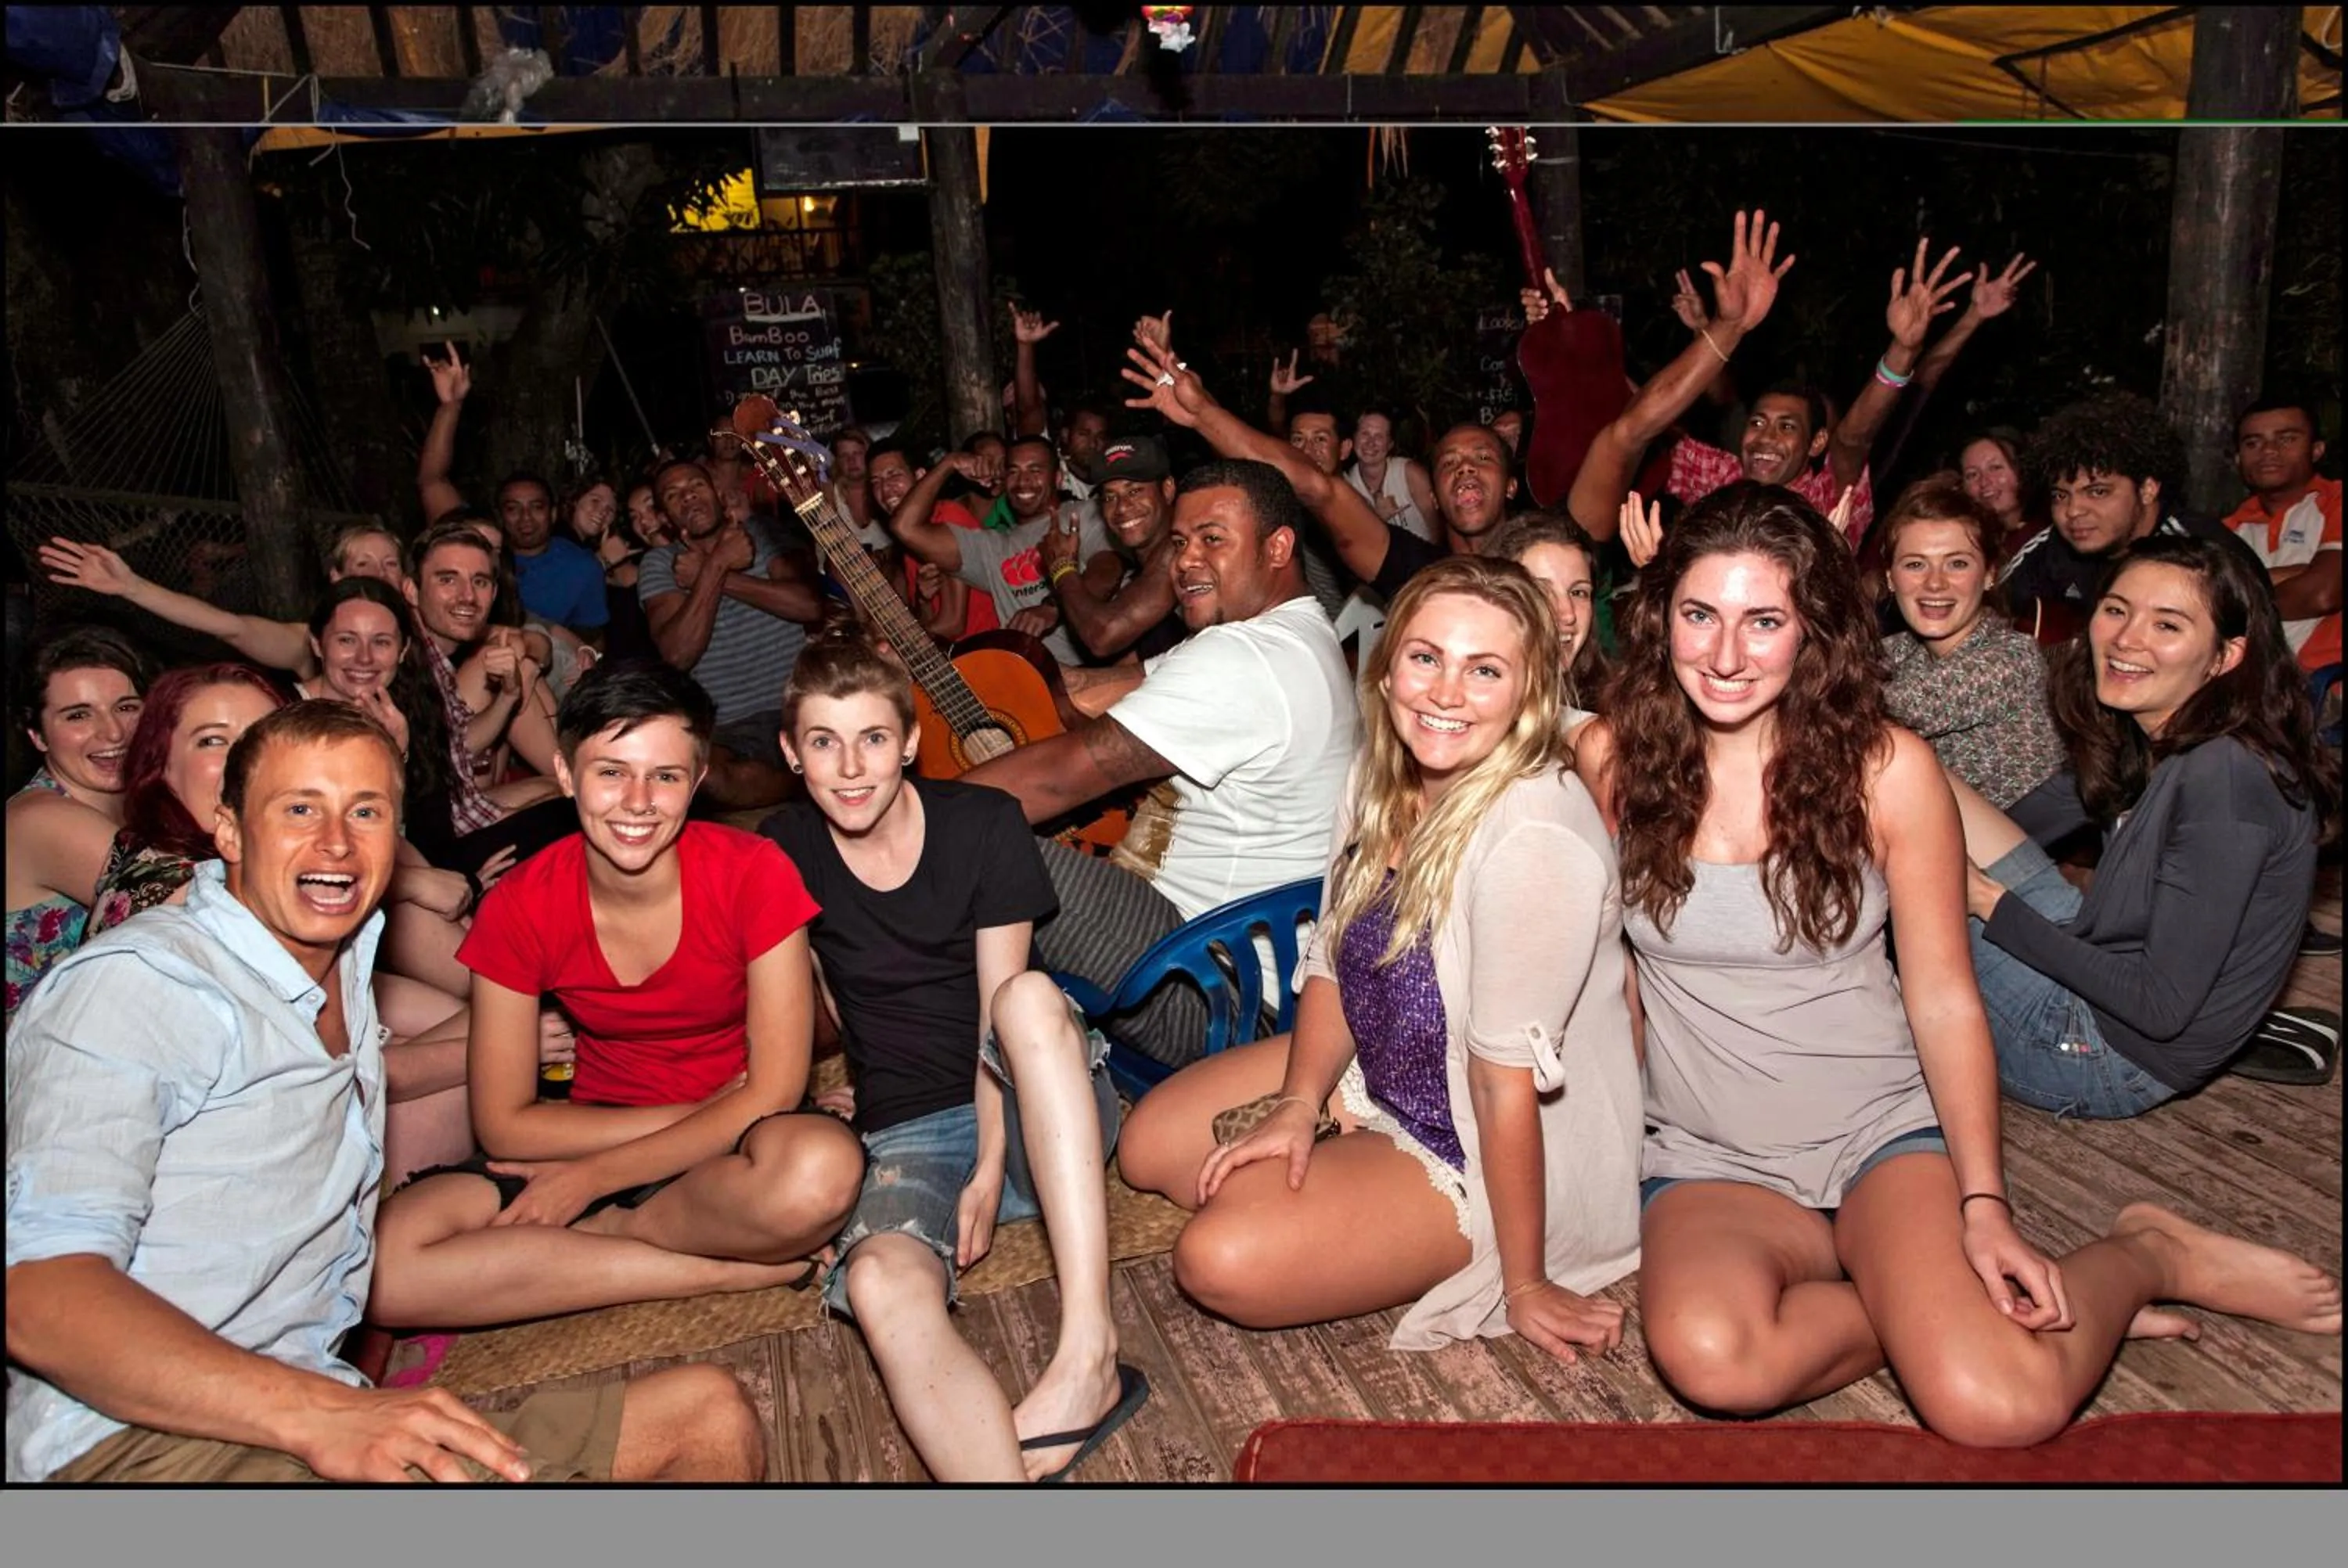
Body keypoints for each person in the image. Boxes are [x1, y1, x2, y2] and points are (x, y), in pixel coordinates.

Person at [1578, 481, 2340, 1445]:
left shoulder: (1887, 770)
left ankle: (2145, 1254)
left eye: (1763, 620)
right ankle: (1917, 1308)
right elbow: (1618, 980)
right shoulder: (1612, 757)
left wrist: (1984, 1201)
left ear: (1813, 628)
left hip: (1878, 1135)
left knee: (2001, 1406)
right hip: (1711, 1156)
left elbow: (1942, 996)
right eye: (1700, 615)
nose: (1725, 656)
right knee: (1714, 1362)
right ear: (1661, 618)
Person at [6, 699, 767, 1483]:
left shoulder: (341, 967)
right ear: (229, 829)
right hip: (128, 1447)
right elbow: (40, 1297)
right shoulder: (138, 986)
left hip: (298, 1403)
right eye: (300, 808)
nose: (336, 842)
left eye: (364, 811)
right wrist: (321, 1413)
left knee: (707, 1414)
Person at [1118, 555, 1643, 1358]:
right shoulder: (1380, 772)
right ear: (1389, 665)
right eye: (1426, 658)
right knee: (1149, 1148)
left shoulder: (1533, 835)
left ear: (1530, 691)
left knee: (1217, 1258)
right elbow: (1332, 954)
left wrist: (1527, 1283)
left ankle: (1370, 1208)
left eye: (1485, 670)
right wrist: (1300, 1101)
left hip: (1480, 1142)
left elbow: (1503, 1085)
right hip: (1382, 1070)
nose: (1444, 693)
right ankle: (1338, 1179)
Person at [366, 660, 862, 1330]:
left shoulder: (754, 872)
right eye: (611, 772)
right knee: (384, 1269)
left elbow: (773, 1093)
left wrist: (596, 1182)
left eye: (665, 776)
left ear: (697, 782)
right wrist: (688, 1118)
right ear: (566, 775)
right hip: (594, 1126)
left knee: (819, 1174)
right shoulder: (519, 905)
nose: (637, 802)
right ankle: (713, 1270)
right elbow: (505, 1122)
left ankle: (608, 1234)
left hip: (734, 1147)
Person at [763, 630, 1148, 1482]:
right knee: (879, 1286)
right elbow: (806, 1010)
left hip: (1039, 1099)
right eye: (824, 742)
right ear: (793, 752)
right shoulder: (783, 847)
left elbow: (997, 1023)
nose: (852, 767)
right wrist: (818, 1160)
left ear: (908, 740)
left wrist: (991, 1164)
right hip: (907, 1130)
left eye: (872, 738)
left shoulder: (982, 822)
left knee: (1029, 999)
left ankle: (1089, 1352)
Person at [962, 459, 1359, 1072]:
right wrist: (962, 687)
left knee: (976, 840)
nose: (1185, 561)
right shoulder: (1291, 634)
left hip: (1215, 991)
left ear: (1278, 547)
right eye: (1179, 542)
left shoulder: (1244, 657)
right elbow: (1095, 689)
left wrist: (904, 814)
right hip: (1251, 972)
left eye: (1213, 540)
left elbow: (1053, 779)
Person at [1954, 534, 2337, 1110]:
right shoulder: (2153, 734)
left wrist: (1985, 900)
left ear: (2225, 656)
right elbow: (2025, 821)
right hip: (2105, 962)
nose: (2127, 639)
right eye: (2117, 610)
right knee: (1914, 780)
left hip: (2103, 1055)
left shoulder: (2226, 778)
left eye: (2168, 625)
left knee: (1918, 907)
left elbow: (2159, 1007)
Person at [79, 664, 480, 1186]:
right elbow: (322, 1084)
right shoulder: (177, 899)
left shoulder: (247, 874)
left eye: (260, 735)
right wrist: (505, 1046)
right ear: (161, 766)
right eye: (212, 741)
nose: (245, 761)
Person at [1118, 317, 1514, 607]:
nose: (1465, 468)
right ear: (1433, 494)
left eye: (1483, 457)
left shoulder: (1554, 555)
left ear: (1512, 484)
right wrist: (1202, 412)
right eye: (1449, 462)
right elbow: (1315, 487)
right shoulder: (1419, 573)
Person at [638, 455, 826, 810]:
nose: (689, 496)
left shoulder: (763, 534)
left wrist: (720, 574)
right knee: (701, 775)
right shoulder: (661, 564)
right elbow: (677, 656)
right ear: (664, 517)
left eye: (696, 486)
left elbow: (810, 606)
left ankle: (807, 771)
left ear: (718, 494)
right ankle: (803, 782)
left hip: (802, 705)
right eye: (674, 495)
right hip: (733, 728)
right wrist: (718, 564)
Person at [1867, 477, 2065, 813]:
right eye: (1915, 564)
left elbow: (1881, 705)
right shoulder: (1902, 651)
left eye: (1957, 563)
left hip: (2013, 857)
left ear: (1989, 574)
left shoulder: (2013, 658)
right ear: (1890, 578)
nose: (1935, 583)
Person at [1998, 391, 2240, 638]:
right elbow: (1986, 614)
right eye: (2061, 495)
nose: (2073, 511)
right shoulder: (2048, 549)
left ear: (2147, 490)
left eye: (2098, 492)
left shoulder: (2204, 555)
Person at [38, 520, 408, 680]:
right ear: (337, 578)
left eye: (389, 564)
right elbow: (229, 626)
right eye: (364, 564)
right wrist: (132, 586)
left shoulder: (427, 638)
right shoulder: (308, 642)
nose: (378, 573)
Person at [6, 626, 149, 1021]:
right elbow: (195, 905)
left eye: (126, 707)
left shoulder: (143, 805)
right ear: (37, 734)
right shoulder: (40, 818)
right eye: (78, 715)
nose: (114, 732)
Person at [885, 436, 1118, 666]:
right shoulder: (991, 547)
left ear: (1058, 478)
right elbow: (904, 527)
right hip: (1027, 680)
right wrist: (950, 463)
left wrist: (1053, 608)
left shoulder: (1085, 514)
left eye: (1035, 470)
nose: (1023, 481)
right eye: (1014, 471)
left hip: (1092, 670)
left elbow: (1108, 573)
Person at [1039, 435, 1187, 663]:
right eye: (1110, 497)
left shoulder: (1179, 550)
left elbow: (1103, 636)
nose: (1122, 507)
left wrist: (1062, 567)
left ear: (1167, 490)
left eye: (1134, 491)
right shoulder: (1143, 572)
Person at [2223, 395, 2339, 677]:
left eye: (2286, 439)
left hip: (2327, 686)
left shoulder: (2335, 502)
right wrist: (2298, 574)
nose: (2269, 451)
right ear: (2238, 457)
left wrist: (2236, 594)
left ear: (2316, 449)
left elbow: (2324, 594)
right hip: (2251, 688)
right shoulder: (2229, 528)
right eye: (2253, 443)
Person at [866, 438, 1000, 643]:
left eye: (894, 475)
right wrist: (923, 600)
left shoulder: (947, 517)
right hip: (951, 658)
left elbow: (953, 625)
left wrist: (896, 642)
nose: (885, 490)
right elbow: (927, 619)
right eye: (876, 482)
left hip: (986, 655)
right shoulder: (909, 540)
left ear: (920, 477)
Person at [1485, 512, 1604, 735]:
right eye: (1542, 591)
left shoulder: (1598, 734)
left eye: (1579, 592)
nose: (1567, 614)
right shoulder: (1460, 710)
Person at [1342, 407, 1439, 544]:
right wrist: (1377, 518)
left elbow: (1437, 527)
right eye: (1365, 434)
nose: (1371, 443)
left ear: (1390, 444)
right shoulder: (1347, 486)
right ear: (1354, 439)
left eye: (1379, 436)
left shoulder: (1411, 473)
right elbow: (1353, 545)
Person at [1958, 427, 2039, 556]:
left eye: (1995, 468)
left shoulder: (2051, 534)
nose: (1984, 482)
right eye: (1972, 475)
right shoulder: (1971, 547)